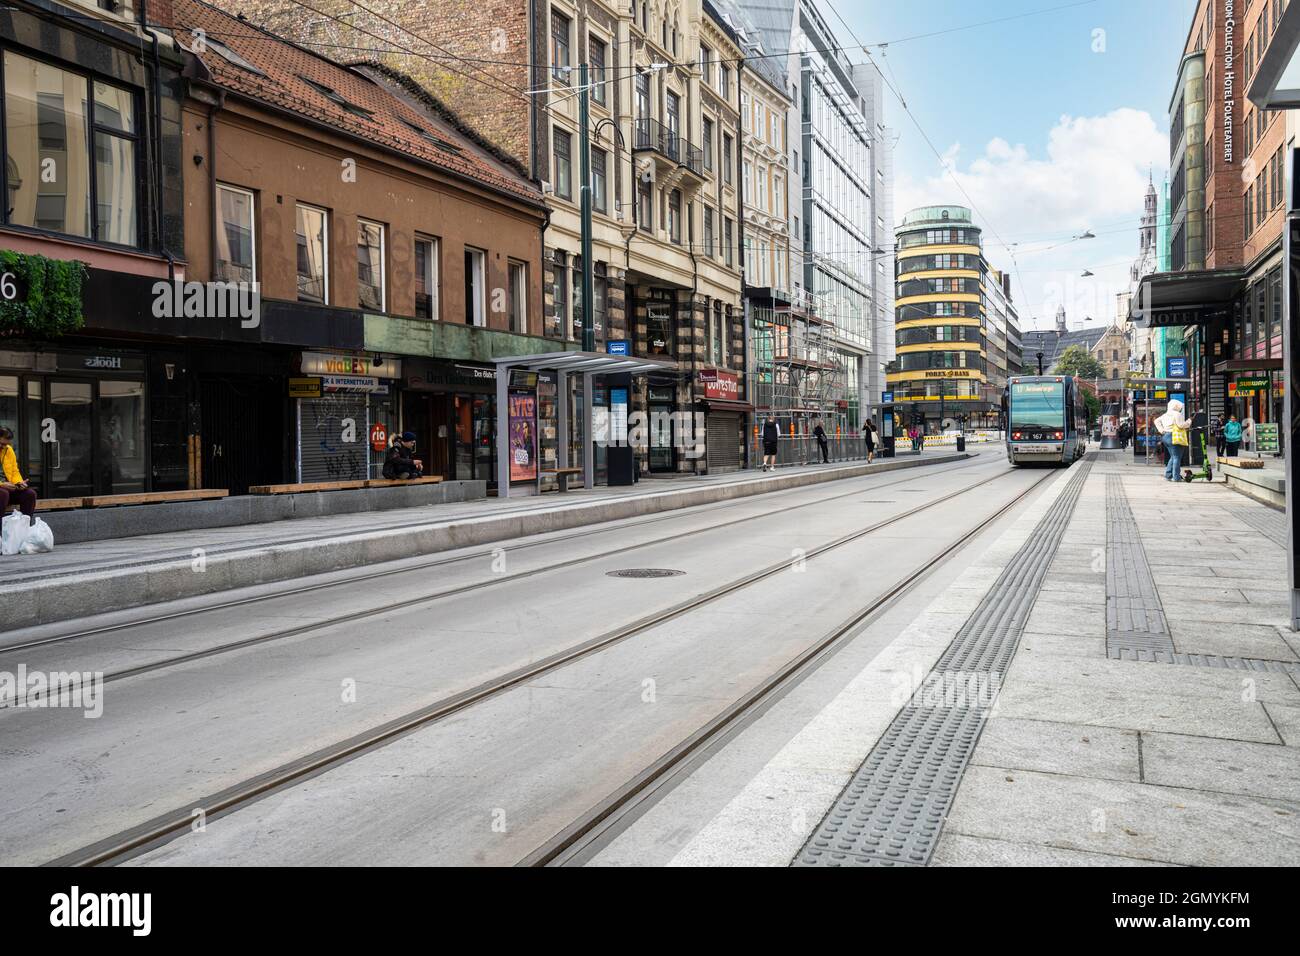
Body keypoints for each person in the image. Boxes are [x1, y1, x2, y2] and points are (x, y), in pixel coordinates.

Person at [0, 426, 38, 526]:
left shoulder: (9, 450)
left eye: (6, 444)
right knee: (3, 494)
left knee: (30, 494)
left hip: (7, 488)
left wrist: (18, 483)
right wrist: (1, 484)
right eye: (2, 444)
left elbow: (14, 471)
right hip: (2, 489)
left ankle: (24, 529)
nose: (4, 447)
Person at [1153, 398, 1191, 481]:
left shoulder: (1166, 414)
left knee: (1173, 456)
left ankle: (1168, 475)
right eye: (1179, 407)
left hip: (1166, 436)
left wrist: (1161, 430)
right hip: (1174, 436)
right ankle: (1176, 477)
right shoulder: (1177, 414)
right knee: (1177, 457)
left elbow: (1156, 421)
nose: (1180, 409)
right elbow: (1181, 425)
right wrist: (1189, 422)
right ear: (1176, 406)